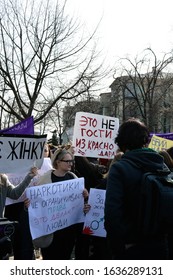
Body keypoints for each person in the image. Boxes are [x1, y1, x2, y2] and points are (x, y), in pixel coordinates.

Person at [104, 117, 169, 260]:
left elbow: (112, 214)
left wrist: (119, 247)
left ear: (121, 142)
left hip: (131, 246)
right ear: (145, 140)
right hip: (161, 244)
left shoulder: (119, 168)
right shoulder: (161, 165)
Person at [35, 148, 88, 260]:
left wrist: (85, 196)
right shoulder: (45, 179)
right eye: (67, 161)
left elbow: (79, 202)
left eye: (72, 161)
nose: (70, 164)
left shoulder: (73, 177)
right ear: (58, 162)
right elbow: (37, 204)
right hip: (52, 232)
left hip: (69, 230)